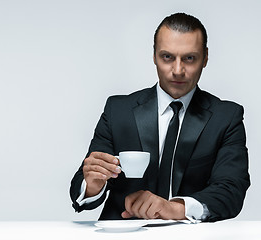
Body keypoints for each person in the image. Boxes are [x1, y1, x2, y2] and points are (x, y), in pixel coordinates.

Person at [70, 12, 250, 222]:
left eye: (189, 58)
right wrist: (92, 185)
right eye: (167, 57)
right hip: (123, 233)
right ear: (154, 55)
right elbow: (80, 191)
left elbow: (231, 191)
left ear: (205, 58)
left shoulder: (226, 117)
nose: (177, 70)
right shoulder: (118, 110)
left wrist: (174, 208)